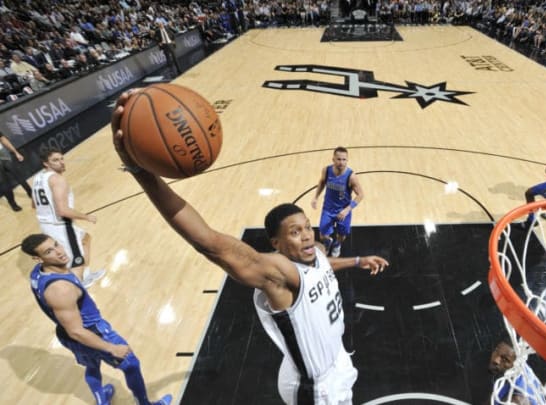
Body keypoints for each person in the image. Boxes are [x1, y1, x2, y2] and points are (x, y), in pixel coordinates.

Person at [111, 91, 389, 405]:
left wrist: (356, 260)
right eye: (295, 233)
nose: (307, 236)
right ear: (277, 245)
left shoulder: (319, 254)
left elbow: (325, 267)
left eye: (307, 228)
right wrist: (141, 173)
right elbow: (208, 242)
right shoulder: (278, 272)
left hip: (336, 361)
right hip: (316, 388)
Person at [21, 233, 172, 405]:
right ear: (37, 258)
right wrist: (111, 348)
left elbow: (72, 276)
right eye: (49, 251)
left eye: (56, 244)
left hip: (65, 333)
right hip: (91, 333)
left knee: (92, 365)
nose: (59, 251)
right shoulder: (61, 290)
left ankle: (102, 400)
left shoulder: (39, 274)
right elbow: (76, 331)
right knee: (131, 364)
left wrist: (86, 247)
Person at [32, 148, 105, 288]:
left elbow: (34, 204)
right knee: (74, 261)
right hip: (60, 226)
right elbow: (63, 211)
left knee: (85, 238)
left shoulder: (38, 178)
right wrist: (86, 217)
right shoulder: (58, 180)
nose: (61, 163)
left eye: (61, 158)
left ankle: (86, 274)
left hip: (46, 224)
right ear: (45, 163)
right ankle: (80, 288)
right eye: (55, 160)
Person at [310, 147, 364, 257]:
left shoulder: (351, 176)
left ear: (347, 160)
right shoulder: (327, 170)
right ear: (333, 159)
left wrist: (347, 210)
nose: (341, 162)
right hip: (328, 209)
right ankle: (328, 241)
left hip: (343, 210)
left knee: (342, 235)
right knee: (322, 235)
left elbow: (360, 195)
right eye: (339, 159)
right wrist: (315, 197)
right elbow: (321, 182)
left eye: (344, 159)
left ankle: (337, 244)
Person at [488, 338, 546, 405]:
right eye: (496, 351)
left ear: (516, 363)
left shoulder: (518, 399)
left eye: (505, 359)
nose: (496, 360)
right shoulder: (519, 369)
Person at [0, 131, 32, 211]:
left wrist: (16, 152)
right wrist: (16, 152)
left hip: (2, 153)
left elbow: (3, 139)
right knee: (16, 175)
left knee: (4, 182)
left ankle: (14, 205)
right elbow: (3, 140)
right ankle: (30, 193)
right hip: (2, 153)